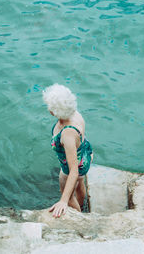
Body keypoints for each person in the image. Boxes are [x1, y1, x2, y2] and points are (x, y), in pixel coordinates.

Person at [42, 83, 93, 218]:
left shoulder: (68, 134)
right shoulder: (75, 114)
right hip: (85, 155)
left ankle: (79, 216)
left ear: (53, 111)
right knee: (80, 182)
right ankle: (83, 206)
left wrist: (64, 200)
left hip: (75, 165)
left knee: (69, 193)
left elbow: (73, 171)